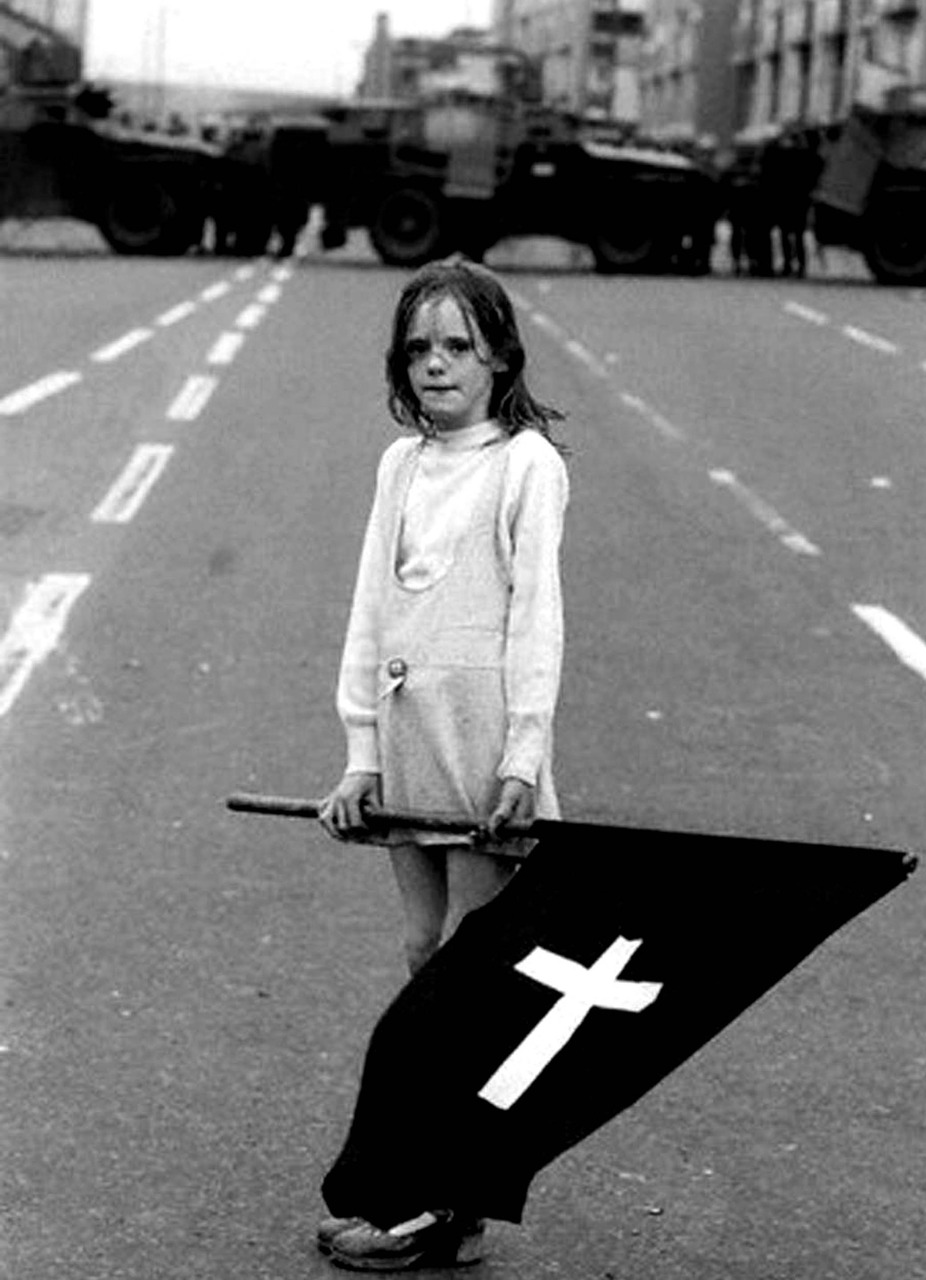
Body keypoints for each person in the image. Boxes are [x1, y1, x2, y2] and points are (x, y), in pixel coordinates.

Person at [315, 257, 569, 1270]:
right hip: (406, 729)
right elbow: (370, 608)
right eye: (418, 347)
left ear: (498, 355)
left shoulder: (525, 465)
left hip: (479, 742)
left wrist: (522, 756)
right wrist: (359, 754)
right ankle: (429, 1192)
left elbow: (536, 618)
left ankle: (441, 1204)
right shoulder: (400, 463)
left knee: (467, 977)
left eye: (458, 345)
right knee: (426, 956)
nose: (435, 365)